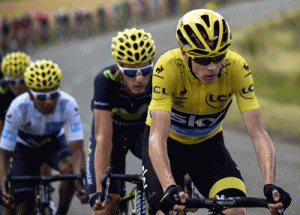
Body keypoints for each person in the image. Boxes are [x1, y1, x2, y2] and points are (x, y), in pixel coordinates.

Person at [142, 9, 292, 215]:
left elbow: (259, 133)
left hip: (208, 148)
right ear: (185, 53)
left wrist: (270, 184)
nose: (212, 67)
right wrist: (169, 186)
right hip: (169, 147)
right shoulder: (167, 67)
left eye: (218, 57)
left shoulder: (237, 68)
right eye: (203, 60)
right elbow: (157, 137)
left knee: (236, 211)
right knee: (168, 211)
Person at [0, 60, 87, 215]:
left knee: (69, 170)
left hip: (54, 144)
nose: (48, 102)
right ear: (30, 94)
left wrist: (81, 182)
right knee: (25, 207)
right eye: (41, 96)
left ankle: (61, 211)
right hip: (25, 148)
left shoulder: (68, 104)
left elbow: (77, 150)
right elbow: (4, 155)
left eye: (54, 95)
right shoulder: (17, 107)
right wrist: (2, 186)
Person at [87, 28, 156, 215]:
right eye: (131, 72)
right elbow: (102, 139)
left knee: (161, 199)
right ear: (118, 69)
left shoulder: (160, 77)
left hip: (140, 136)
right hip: (112, 139)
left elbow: (166, 138)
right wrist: (100, 192)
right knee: (107, 204)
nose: (140, 78)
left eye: (145, 69)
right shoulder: (105, 80)